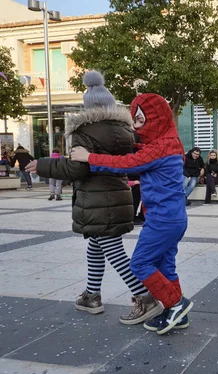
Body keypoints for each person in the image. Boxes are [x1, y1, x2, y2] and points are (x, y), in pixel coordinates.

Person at [25, 71, 159, 325]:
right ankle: (92, 295)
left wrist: (43, 166)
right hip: (119, 197)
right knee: (96, 247)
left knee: (114, 251)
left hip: (97, 201)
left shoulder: (84, 130)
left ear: (87, 106)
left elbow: (77, 169)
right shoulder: (125, 130)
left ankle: (145, 298)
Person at [70, 92, 193, 335]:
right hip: (172, 218)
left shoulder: (162, 146)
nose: (136, 126)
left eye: (139, 120)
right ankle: (178, 316)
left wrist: (89, 157)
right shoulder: (169, 142)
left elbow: (129, 163)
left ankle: (176, 304)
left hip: (162, 220)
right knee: (165, 267)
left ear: (155, 117)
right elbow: (141, 155)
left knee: (140, 263)